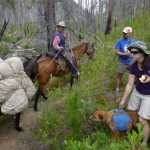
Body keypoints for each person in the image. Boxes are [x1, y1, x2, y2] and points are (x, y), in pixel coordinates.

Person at [119, 41, 150, 145]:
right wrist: (123, 100)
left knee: (142, 119)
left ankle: (144, 143)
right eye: (130, 51)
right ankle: (134, 134)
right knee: (132, 114)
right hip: (138, 91)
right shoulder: (133, 66)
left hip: (148, 96)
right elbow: (129, 84)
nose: (131, 54)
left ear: (142, 53)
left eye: (134, 52)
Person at [115, 27, 134, 95]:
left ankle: (131, 89)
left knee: (132, 75)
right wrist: (124, 54)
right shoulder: (119, 41)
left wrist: (132, 54)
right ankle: (117, 89)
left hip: (131, 62)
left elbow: (136, 50)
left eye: (126, 33)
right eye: (124, 33)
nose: (125, 34)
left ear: (129, 34)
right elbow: (116, 52)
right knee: (119, 75)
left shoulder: (133, 41)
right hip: (122, 62)